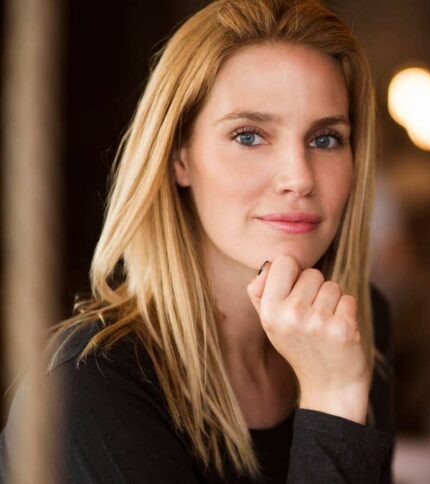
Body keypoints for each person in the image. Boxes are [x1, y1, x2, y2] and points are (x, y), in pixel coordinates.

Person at [0, 0, 394, 482]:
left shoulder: (353, 327)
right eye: (249, 136)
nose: (299, 178)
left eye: (325, 139)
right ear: (178, 156)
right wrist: (333, 401)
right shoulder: (88, 389)